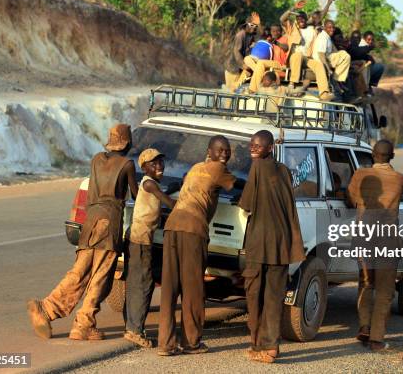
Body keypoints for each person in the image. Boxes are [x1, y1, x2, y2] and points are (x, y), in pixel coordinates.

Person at [27, 124, 138, 341]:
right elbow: (135, 193)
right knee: (100, 276)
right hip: (109, 224)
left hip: (91, 222)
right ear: (128, 143)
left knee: (79, 272)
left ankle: (46, 309)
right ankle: (83, 324)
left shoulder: (96, 159)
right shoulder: (127, 165)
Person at [157, 135, 240, 356]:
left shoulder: (195, 167)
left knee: (170, 286)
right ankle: (191, 342)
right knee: (193, 288)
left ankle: (165, 343)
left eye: (227, 151)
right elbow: (238, 186)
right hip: (193, 229)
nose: (224, 154)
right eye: (220, 150)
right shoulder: (217, 169)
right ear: (210, 152)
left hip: (172, 225)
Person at [238, 130, 305, 364]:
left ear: (269, 148)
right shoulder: (284, 170)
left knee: (255, 296)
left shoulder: (257, 168)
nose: (253, 148)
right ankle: (269, 346)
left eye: (258, 145)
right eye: (252, 144)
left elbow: (246, 204)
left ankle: (261, 345)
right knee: (274, 298)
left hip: (260, 242)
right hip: (282, 244)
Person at [346, 140, 403, 352]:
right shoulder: (401, 179)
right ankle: (377, 339)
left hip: (363, 237)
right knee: (384, 290)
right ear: (392, 156)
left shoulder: (359, 175)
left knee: (366, 284)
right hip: (387, 240)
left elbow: (351, 198)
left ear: (373, 155)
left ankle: (364, 325)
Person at [123, 148, 176, 348]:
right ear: (145, 168)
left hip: (135, 238)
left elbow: (156, 197)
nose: (159, 166)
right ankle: (135, 331)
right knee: (144, 285)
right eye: (154, 164)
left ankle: (131, 326)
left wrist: (172, 187)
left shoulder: (148, 183)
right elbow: (169, 203)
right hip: (141, 240)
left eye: (161, 162)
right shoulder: (149, 183)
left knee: (135, 282)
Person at [280, 1, 334, 100]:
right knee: (298, 55)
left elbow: (320, 16)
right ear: (296, 20)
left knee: (319, 65)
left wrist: (328, 3)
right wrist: (293, 8)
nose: (300, 20)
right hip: (294, 58)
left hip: (307, 58)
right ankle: (292, 83)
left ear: (306, 19)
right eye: (298, 18)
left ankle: (324, 93)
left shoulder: (312, 29)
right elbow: (282, 19)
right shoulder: (292, 29)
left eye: (302, 18)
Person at [241, 25, 287, 93]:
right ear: (270, 32)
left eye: (278, 31)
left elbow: (286, 47)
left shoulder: (284, 38)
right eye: (273, 31)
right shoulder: (269, 41)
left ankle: (254, 88)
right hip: (268, 63)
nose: (275, 33)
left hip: (279, 64)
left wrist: (276, 43)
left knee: (261, 62)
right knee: (247, 58)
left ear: (281, 32)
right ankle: (258, 77)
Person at [312, 20, 351, 94]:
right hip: (321, 60)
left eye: (333, 28)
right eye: (329, 27)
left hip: (328, 58)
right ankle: (337, 80)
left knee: (344, 55)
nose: (332, 29)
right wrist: (328, 68)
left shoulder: (328, 37)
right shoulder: (323, 37)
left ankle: (339, 81)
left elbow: (335, 51)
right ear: (324, 28)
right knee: (345, 56)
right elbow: (321, 54)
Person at [225, 13, 261, 91]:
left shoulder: (251, 36)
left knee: (236, 91)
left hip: (240, 70)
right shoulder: (240, 35)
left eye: (256, 26)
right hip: (233, 68)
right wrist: (243, 65)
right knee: (230, 93)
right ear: (246, 25)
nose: (254, 27)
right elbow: (236, 51)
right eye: (252, 25)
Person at [349, 30, 384, 95]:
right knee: (377, 67)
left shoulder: (360, 45)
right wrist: (371, 48)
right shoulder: (355, 45)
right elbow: (358, 52)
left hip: (361, 68)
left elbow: (361, 53)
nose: (370, 41)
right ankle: (366, 87)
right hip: (357, 69)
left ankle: (369, 86)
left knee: (378, 66)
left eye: (358, 38)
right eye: (368, 39)